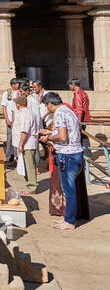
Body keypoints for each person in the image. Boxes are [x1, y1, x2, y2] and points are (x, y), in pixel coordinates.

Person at [40, 91, 88, 231]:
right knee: (69, 188)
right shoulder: (69, 111)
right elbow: (73, 131)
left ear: (50, 104)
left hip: (68, 155)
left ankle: (70, 221)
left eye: (47, 107)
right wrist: (50, 133)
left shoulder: (59, 113)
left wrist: (48, 138)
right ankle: (68, 217)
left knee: (68, 190)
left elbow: (62, 136)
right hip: (75, 153)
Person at [11, 90, 38, 193]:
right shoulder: (23, 113)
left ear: (18, 104)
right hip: (24, 143)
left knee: (29, 166)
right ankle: (29, 185)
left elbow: (24, 131)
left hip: (27, 144)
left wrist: (21, 145)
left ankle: (32, 187)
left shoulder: (26, 114)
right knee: (26, 166)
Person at [1, 77, 21, 163]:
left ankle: (17, 157)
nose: (18, 85)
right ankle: (9, 156)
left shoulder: (20, 93)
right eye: (17, 83)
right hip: (9, 119)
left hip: (18, 120)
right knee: (9, 138)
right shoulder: (6, 93)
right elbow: (4, 107)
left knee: (18, 138)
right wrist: (6, 119)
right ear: (13, 85)